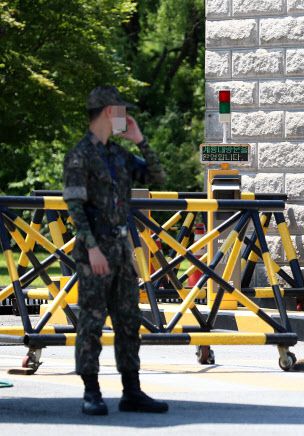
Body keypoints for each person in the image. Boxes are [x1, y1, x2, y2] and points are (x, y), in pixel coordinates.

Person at [63, 86, 168, 415]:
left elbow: (157, 176)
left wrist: (140, 140)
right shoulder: (80, 154)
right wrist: (92, 248)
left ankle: (131, 390)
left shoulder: (119, 155)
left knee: (128, 320)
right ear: (110, 111)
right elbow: (75, 207)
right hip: (95, 250)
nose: (126, 116)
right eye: (122, 110)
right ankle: (91, 391)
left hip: (121, 250)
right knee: (91, 322)